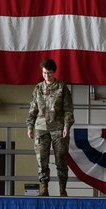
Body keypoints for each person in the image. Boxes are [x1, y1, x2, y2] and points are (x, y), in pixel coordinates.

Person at [27, 58, 74, 197]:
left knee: (61, 158)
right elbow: (33, 109)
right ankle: (43, 188)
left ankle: (62, 189)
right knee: (42, 159)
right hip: (41, 127)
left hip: (58, 127)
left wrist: (67, 126)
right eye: (44, 73)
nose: (47, 75)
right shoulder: (38, 88)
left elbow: (68, 109)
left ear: (54, 73)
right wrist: (30, 126)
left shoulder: (62, 87)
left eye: (49, 73)